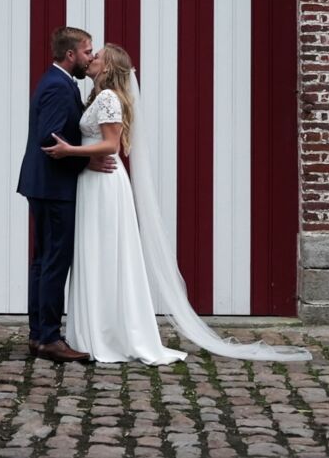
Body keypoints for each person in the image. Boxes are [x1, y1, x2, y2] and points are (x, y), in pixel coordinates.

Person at [44, 43, 312, 365]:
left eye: (97, 56)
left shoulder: (108, 98)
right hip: (92, 182)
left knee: (103, 253)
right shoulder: (98, 97)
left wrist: (68, 152)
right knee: (95, 254)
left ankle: (107, 333)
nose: (92, 59)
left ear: (109, 66)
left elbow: (111, 145)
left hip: (103, 185)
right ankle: (96, 331)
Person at [16, 26, 115, 364]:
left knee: (44, 262)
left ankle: (38, 334)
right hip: (53, 189)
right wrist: (86, 159)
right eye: (87, 51)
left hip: (44, 186)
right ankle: (48, 338)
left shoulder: (59, 82)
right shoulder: (58, 87)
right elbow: (50, 139)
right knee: (54, 263)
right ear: (71, 54)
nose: (90, 57)